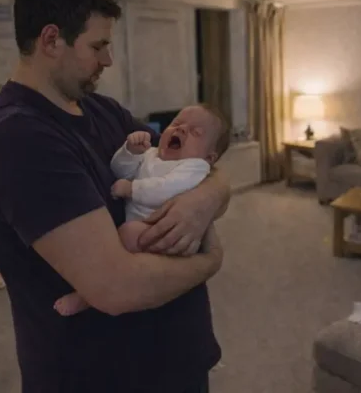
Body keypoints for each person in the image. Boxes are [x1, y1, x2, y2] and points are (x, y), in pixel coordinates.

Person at [0, 0, 229, 393]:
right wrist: (210, 261)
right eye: (98, 46)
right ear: (51, 40)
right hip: (102, 374)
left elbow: (198, 161)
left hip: (174, 357)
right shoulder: (19, 137)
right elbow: (116, 288)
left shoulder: (102, 110)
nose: (108, 60)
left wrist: (206, 198)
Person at [54, 104, 231, 316]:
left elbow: (166, 189)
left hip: (166, 233)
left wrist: (132, 189)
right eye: (176, 123)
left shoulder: (194, 167)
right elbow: (120, 171)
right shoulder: (152, 154)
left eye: (195, 132)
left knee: (127, 234)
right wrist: (130, 152)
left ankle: (86, 296)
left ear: (209, 158)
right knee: (122, 238)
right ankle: (94, 290)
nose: (181, 129)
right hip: (146, 227)